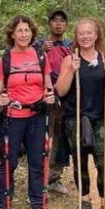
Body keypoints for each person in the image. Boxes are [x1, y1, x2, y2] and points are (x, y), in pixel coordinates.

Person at [0, 15, 55, 209]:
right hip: (12, 119)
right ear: (12, 34)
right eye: (19, 31)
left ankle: (37, 203)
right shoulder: (4, 60)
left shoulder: (40, 57)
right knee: (9, 162)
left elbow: (48, 87)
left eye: (27, 30)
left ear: (32, 33)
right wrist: (1, 100)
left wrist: (50, 97)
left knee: (37, 161)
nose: (24, 34)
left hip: (36, 117)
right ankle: (3, 205)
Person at [55, 18, 105, 209]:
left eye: (89, 33)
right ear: (76, 36)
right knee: (80, 162)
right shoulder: (70, 59)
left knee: (104, 163)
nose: (85, 37)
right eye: (81, 33)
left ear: (96, 35)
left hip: (100, 119)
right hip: (75, 119)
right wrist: (70, 71)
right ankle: (84, 201)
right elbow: (60, 90)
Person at [38, 10, 73, 196]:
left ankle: (54, 177)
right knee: (43, 138)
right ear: (49, 23)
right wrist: (40, 51)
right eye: (55, 20)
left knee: (61, 139)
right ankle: (39, 179)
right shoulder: (40, 44)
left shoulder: (70, 45)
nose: (58, 24)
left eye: (62, 21)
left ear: (66, 24)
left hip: (65, 99)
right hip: (45, 97)